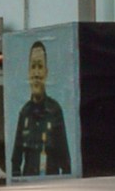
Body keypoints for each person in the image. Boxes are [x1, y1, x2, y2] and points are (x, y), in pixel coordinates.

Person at [9, 38, 72, 178]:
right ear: (28, 72)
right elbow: (16, 161)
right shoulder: (24, 113)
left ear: (46, 72)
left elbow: (65, 163)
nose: (36, 74)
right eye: (33, 67)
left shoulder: (55, 111)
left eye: (40, 67)